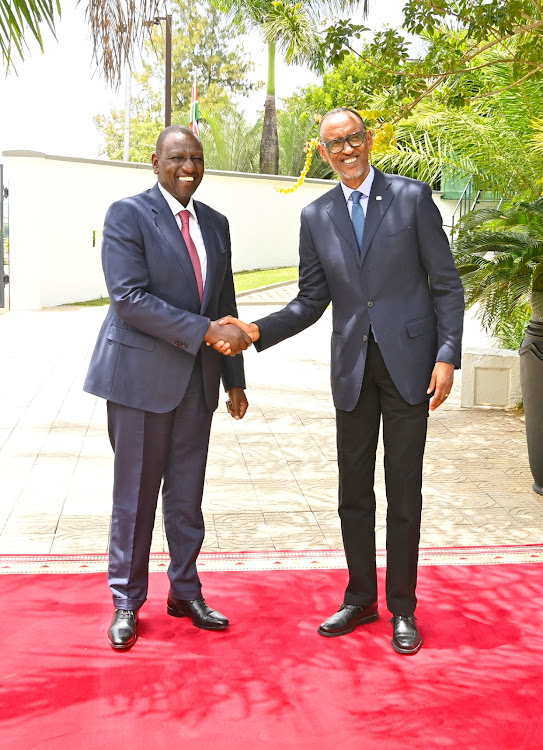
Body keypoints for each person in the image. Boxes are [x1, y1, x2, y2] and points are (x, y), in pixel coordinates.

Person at [219, 107, 465, 655]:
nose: (347, 150)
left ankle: (403, 607)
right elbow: (310, 301)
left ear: (369, 140)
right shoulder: (316, 215)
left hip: (410, 369)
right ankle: (360, 597)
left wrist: (447, 356)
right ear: (323, 152)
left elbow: (446, 284)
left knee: (404, 491)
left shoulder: (411, 198)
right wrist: (256, 330)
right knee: (353, 492)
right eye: (336, 144)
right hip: (352, 372)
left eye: (354, 139)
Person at [84, 125, 252, 651]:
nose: (188, 168)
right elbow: (128, 298)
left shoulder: (218, 224)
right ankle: (126, 602)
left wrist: (234, 379)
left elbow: (224, 301)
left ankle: (184, 590)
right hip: (139, 383)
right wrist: (204, 332)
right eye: (177, 158)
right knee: (134, 496)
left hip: (198, 385)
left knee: (186, 495)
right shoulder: (127, 215)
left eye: (196, 159)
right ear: (154, 162)